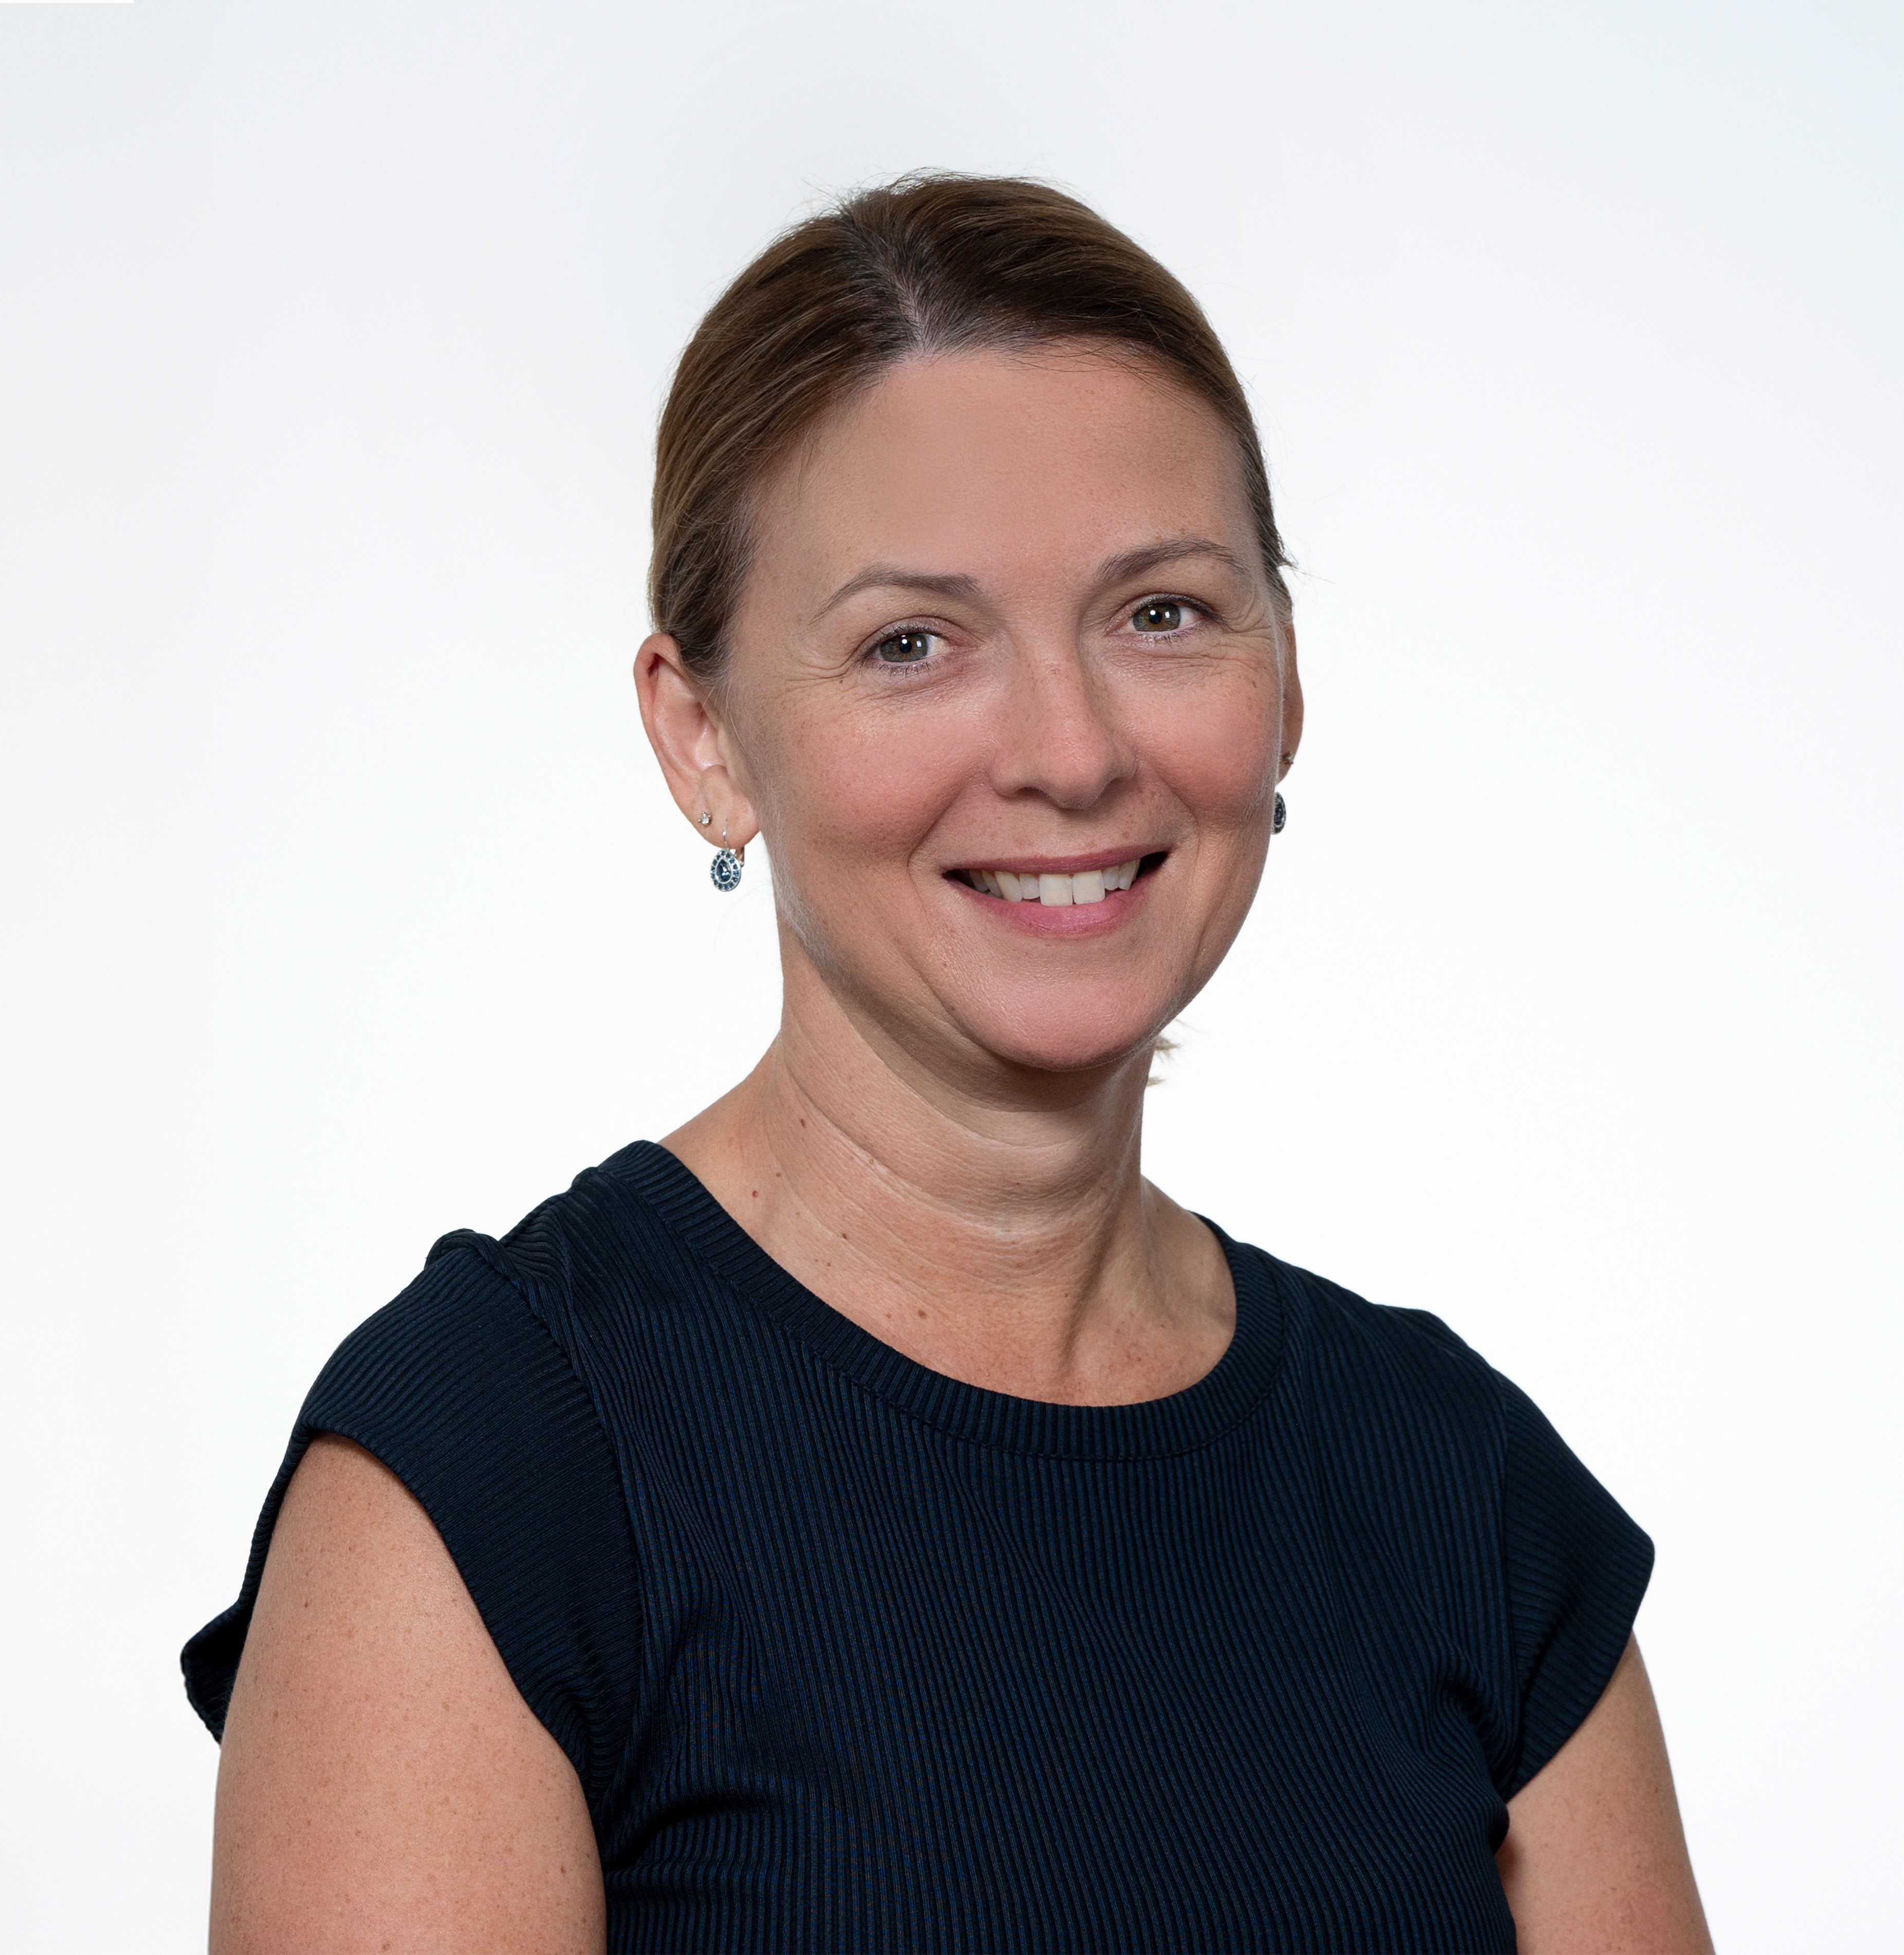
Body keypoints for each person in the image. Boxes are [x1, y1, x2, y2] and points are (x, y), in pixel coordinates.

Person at [186, 174, 1714, 1954]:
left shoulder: (1461, 1491)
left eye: (1160, 613)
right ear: (704, 738)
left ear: (1284, 680)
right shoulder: (497, 1475)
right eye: (911, 643)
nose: (1067, 751)